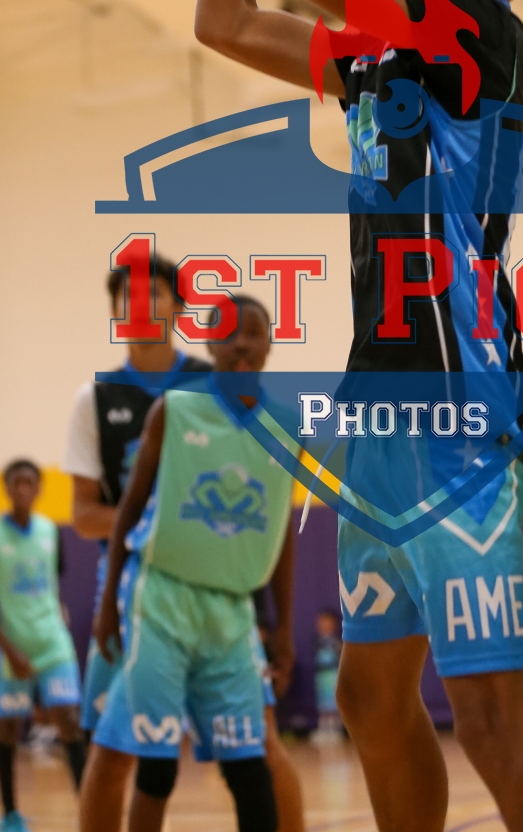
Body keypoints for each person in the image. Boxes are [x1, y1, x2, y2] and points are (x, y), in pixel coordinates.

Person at [194, 0, 523, 832]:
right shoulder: (385, 56)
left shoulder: (477, 33)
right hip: (381, 400)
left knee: (490, 711)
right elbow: (225, 20)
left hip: (459, 402)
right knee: (368, 697)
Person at [91, 295, 302, 832]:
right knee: (156, 764)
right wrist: (109, 603)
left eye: (253, 333)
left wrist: (283, 627)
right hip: (160, 598)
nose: (241, 344)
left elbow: (280, 535)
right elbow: (128, 510)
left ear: (270, 344)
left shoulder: (287, 427)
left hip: (232, 611)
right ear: (209, 343)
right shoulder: (175, 409)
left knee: (249, 766)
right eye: (229, 333)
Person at [64, 257, 211, 827]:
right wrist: (157, 526)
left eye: (155, 293)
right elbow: (82, 515)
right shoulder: (95, 399)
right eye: (129, 296)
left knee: (259, 745)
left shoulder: (211, 384)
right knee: (112, 750)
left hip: (211, 584)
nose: (142, 305)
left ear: (178, 306)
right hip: (129, 588)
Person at [0, 460, 85, 832]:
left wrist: (58, 616)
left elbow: (53, 584)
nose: (22, 488)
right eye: (15, 482)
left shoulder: (51, 530)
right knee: (8, 729)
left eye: (29, 482)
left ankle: (89, 810)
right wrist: (10, 651)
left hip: (53, 644)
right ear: (5, 487)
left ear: (39, 488)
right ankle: (11, 815)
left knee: (70, 721)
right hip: (12, 647)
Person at [313, 610, 342, 741]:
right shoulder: (318, 642)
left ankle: (335, 729)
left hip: (332, 676)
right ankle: (324, 730)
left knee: (333, 703)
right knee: (323, 704)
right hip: (321, 677)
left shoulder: (336, 642)